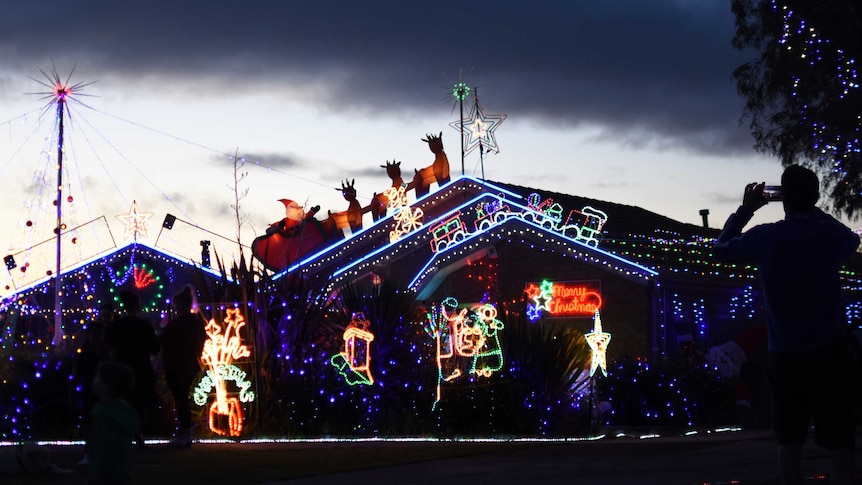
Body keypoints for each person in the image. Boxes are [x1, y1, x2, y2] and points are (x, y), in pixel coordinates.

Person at [713, 165, 859, 485]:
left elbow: (721, 248)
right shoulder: (830, 235)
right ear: (816, 196)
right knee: (840, 441)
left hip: (785, 354)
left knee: (789, 440)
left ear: (782, 199)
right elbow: (851, 240)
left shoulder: (767, 236)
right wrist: (815, 210)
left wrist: (746, 210)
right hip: (830, 353)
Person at [105, 291, 159, 447]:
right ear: (137, 306)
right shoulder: (145, 326)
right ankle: (137, 432)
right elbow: (155, 348)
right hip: (141, 368)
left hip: (122, 368)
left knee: (123, 401)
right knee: (140, 404)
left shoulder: (117, 326)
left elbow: (108, 345)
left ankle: (124, 433)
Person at [159, 286, 207, 448]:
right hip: (190, 364)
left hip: (176, 364)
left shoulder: (176, 324)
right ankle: (185, 432)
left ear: (178, 305)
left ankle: (185, 432)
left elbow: (163, 341)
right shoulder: (196, 323)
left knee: (180, 398)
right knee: (182, 397)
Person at [87, 360, 140, 485]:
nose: (94, 380)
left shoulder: (101, 412)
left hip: (103, 472)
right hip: (123, 469)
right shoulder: (126, 410)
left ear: (106, 385)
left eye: (97, 377)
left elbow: (100, 444)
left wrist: (96, 467)